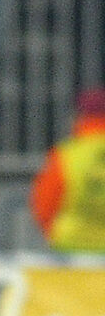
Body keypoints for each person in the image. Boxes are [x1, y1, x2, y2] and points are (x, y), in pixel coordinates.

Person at [30, 87, 105, 252]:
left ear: (80, 116)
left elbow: (44, 206)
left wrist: (54, 233)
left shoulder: (66, 155)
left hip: (72, 250)